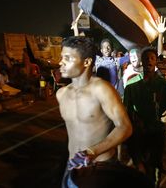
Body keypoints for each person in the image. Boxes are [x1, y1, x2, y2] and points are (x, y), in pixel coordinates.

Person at [56, 36, 133, 187]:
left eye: (68, 58)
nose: (61, 63)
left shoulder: (102, 89)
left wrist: (91, 153)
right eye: (61, 57)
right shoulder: (61, 94)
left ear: (86, 62)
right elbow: (73, 134)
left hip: (99, 169)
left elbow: (125, 127)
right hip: (72, 167)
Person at [123, 47, 166, 187]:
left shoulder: (163, 85)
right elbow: (125, 110)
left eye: (152, 58)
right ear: (141, 61)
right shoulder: (131, 86)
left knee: (154, 167)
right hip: (138, 133)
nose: (149, 61)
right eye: (146, 58)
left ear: (156, 61)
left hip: (157, 132)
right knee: (140, 167)